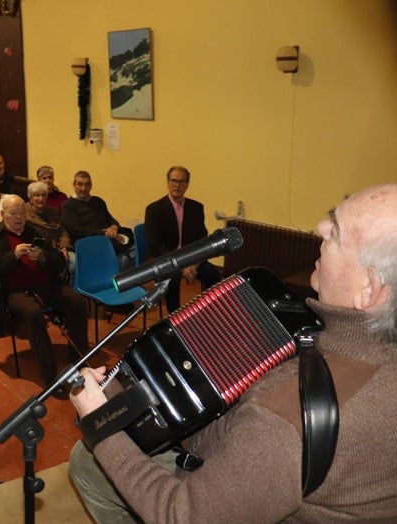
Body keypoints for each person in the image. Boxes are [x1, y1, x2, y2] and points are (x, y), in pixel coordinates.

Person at [69, 186, 397, 522]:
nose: (320, 228)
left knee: (86, 461)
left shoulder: (287, 420)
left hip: (217, 502)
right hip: (274, 473)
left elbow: (182, 515)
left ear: (368, 289)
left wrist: (102, 425)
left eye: (337, 233)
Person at [0, 195, 89, 393]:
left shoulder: (36, 232)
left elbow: (59, 263)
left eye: (21, 213)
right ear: (3, 215)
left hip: (44, 285)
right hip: (11, 291)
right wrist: (13, 256)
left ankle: (80, 364)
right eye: (13, 213)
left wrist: (43, 257)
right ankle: (51, 377)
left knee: (77, 301)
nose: (18, 218)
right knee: (34, 313)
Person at [143, 166, 221, 312]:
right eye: (173, 181)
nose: (176, 185)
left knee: (213, 274)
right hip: (165, 258)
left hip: (191, 259)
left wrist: (194, 264)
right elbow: (156, 245)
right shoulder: (154, 209)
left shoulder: (196, 208)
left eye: (181, 181)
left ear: (187, 185)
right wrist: (181, 266)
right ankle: (175, 319)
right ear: (168, 182)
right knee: (171, 279)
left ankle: (211, 312)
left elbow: (201, 240)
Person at [60, 170, 134, 270]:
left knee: (134, 244)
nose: (83, 188)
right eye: (80, 184)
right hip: (87, 241)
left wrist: (114, 227)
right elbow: (78, 229)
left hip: (108, 236)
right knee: (124, 255)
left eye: (87, 185)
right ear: (73, 185)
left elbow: (110, 218)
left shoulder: (98, 201)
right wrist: (104, 232)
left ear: (91, 185)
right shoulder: (68, 205)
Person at [25, 181, 74, 279]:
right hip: (43, 251)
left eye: (43, 195)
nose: (40, 199)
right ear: (30, 198)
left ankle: (69, 287)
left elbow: (62, 232)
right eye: (37, 195)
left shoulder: (53, 211)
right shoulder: (25, 214)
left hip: (59, 248)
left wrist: (64, 247)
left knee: (74, 262)